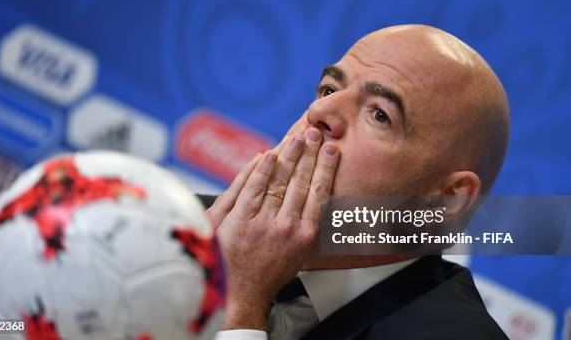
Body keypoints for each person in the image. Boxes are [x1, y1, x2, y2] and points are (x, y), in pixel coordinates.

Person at [203, 24, 510, 339]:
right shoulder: (181, 223)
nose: (318, 111)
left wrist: (238, 307)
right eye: (329, 89)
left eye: (379, 115)